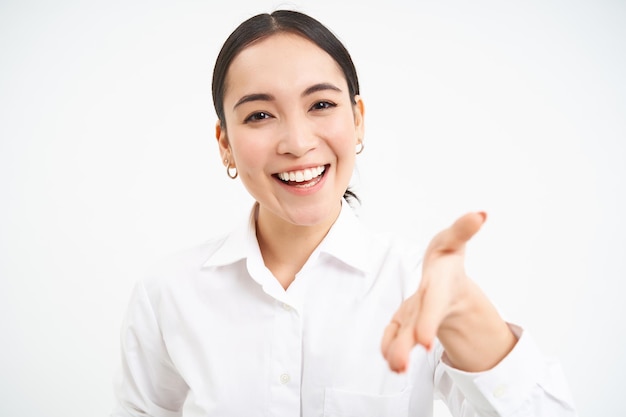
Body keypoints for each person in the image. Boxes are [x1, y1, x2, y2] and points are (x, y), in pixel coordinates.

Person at [112, 9, 578, 417]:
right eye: (258, 115)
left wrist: (467, 314)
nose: (297, 142)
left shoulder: (418, 284)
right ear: (225, 144)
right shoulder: (167, 294)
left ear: (357, 119)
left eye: (321, 105)